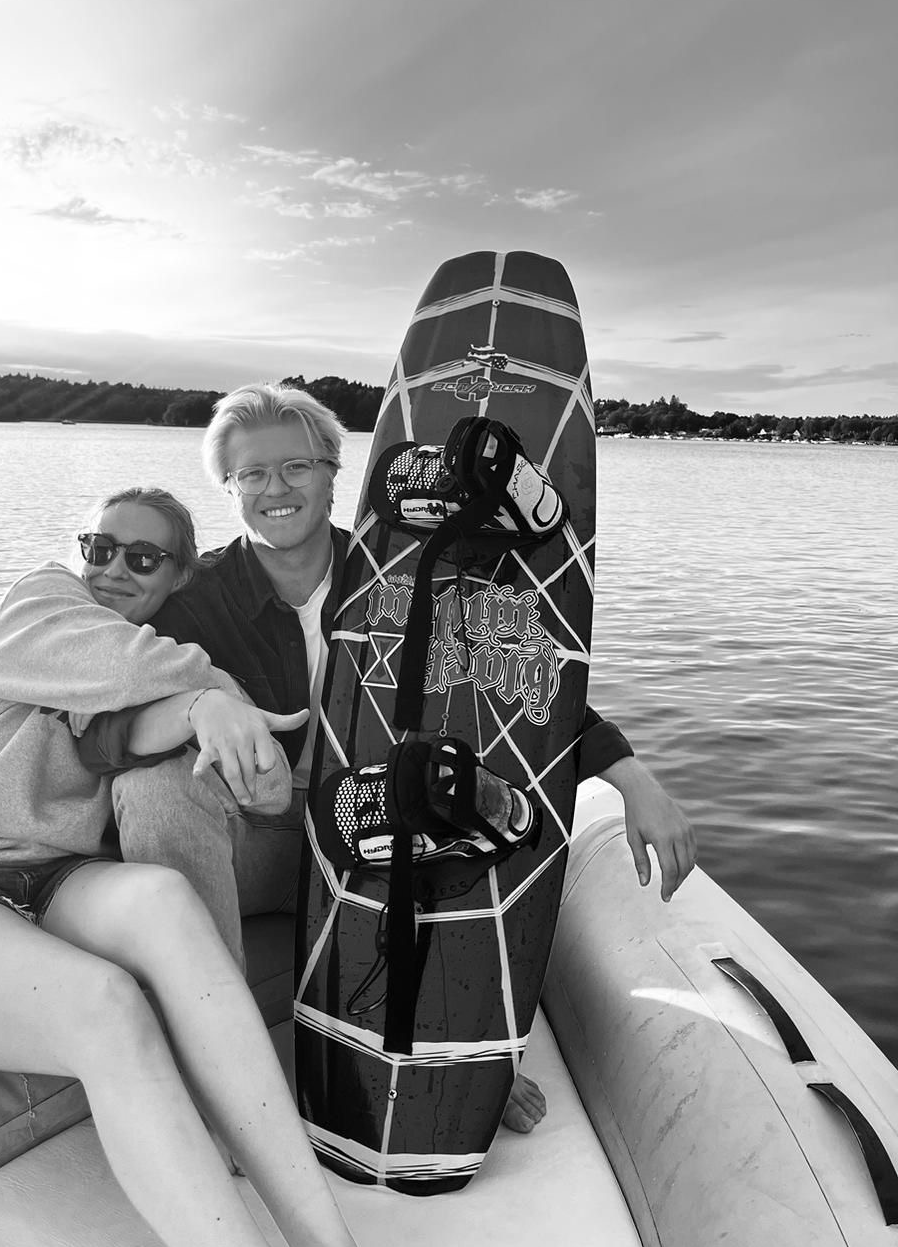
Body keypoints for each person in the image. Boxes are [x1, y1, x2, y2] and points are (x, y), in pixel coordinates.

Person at [112, 387, 699, 1135]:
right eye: (250, 475)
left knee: (454, 794)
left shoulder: (406, 570)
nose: (275, 490)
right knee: (154, 788)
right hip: (258, 835)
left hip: (378, 822)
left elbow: (516, 687)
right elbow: (120, 686)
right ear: (229, 489)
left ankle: (455, 1045)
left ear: (334, 475)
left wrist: (633, 778)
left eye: (296, 467)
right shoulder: (198, 602)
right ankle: (217, 1066)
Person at [0, 486, 371, 1247]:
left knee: (163, 901)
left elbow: (126, 730)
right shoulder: (43, 607)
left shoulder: (128, 670)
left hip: (50, 881)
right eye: (99, 546)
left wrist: (201, 716)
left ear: (178, 578)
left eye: (143, 557)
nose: (112, 568)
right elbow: (141, 674)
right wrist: (217, 697)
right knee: (110, 1008)